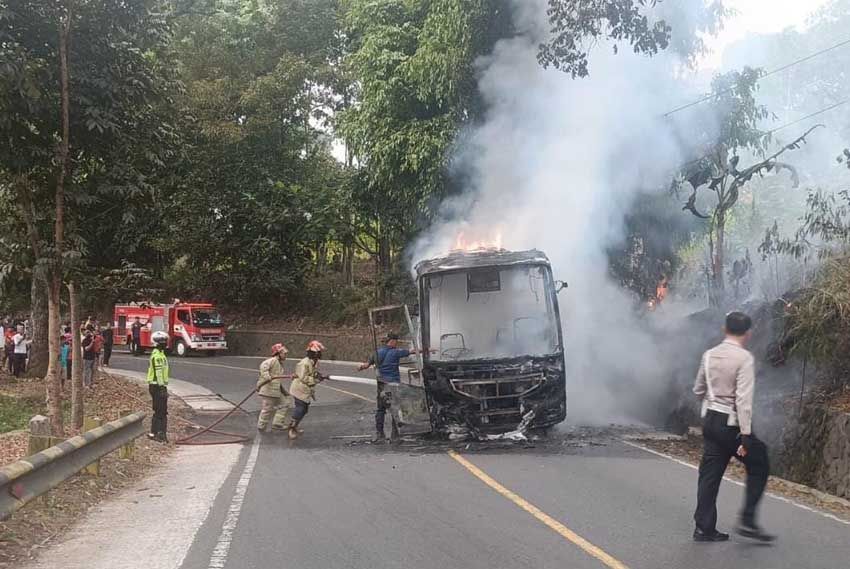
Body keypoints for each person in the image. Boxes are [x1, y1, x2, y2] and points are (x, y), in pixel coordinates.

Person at [693, 311, 774, 543]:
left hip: (710, 419)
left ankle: (703, 528)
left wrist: (711, 402)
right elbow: (743, 400)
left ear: (724, 329)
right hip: (731, 424)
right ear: (748, 334)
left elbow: (698, 389)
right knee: (759, 462)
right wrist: (746, 435)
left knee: (709, 474)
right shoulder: (744, 358)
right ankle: (748, 520)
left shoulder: (709, 355)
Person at [359, 332, 424, 442]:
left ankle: (380, 434)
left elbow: (366, 365)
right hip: (393, 385)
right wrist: (427, 349)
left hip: (381, 385)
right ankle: (395, 435)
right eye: (396, 341)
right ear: (393, 341)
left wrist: (360, 367)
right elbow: (412, 351)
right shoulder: (396, 352)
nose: (397, 343)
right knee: (395, 410)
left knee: (381, 410)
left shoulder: (377, 352)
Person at [287, 340, 327, 440]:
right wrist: (316, 379)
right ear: (314, 353)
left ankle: (295, 427)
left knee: (304, 410)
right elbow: (303, 378)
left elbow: (313, 373)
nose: (320, 354)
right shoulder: (304, 363)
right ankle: (291, 429)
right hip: (299, 389)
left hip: (305, 390)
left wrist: (318, 375)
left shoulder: (314, 362)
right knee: (300, 409)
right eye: (318, 352)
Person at [256, 343, 291, 432]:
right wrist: (267, 377)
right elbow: (264, 367)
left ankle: (277, 424)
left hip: (275, 391)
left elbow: (277, 380)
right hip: (268, 390)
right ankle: (261, 426)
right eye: (284, 353)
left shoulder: (279, 364)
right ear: (278, 353)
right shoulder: (272, 361)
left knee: (285, 403)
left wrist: (283, 391)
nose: (285, 355)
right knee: (267, 409)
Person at [147, 331, 170, 442]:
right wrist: (162, 388)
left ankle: (155, 432)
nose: (165, 344)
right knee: (161, 411)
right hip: (157, 386)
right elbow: (159, 372)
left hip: (158, 386)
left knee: (160, 410)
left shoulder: (160, 354)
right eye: (163, 342)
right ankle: (159, 433)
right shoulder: (157, 356)